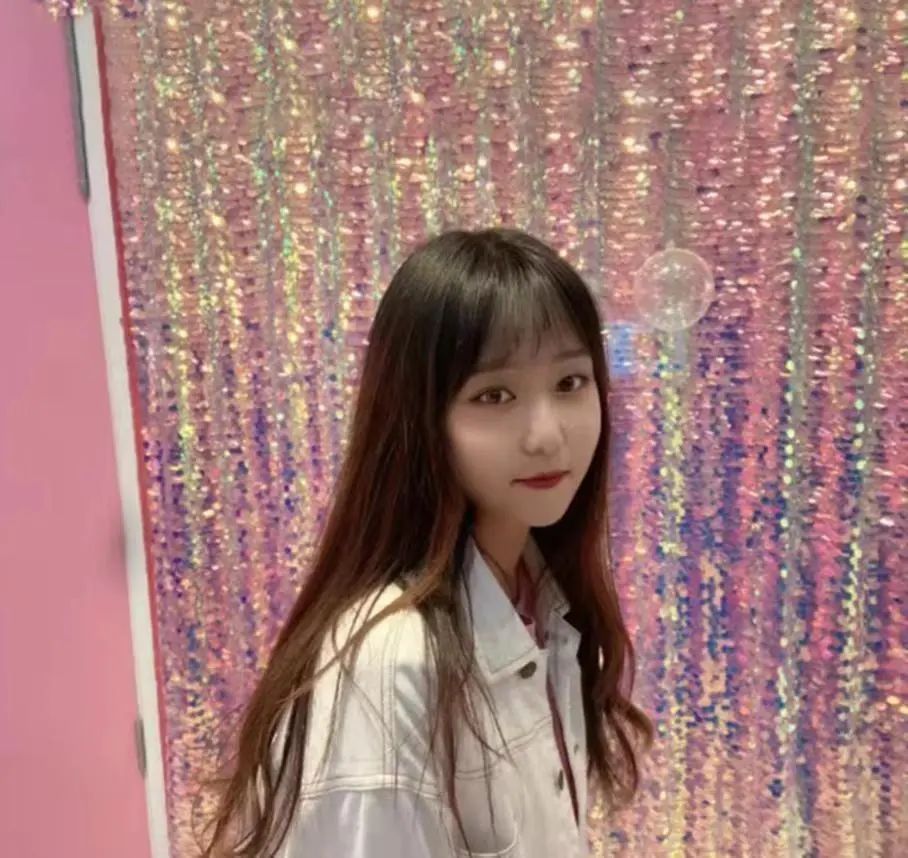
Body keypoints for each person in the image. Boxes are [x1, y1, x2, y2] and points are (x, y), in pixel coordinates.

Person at [198, 227, 653, 857]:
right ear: (420, 420)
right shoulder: (390, 665)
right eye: (494, 395)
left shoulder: (541, 599)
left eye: (570, 383)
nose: (547, 435)